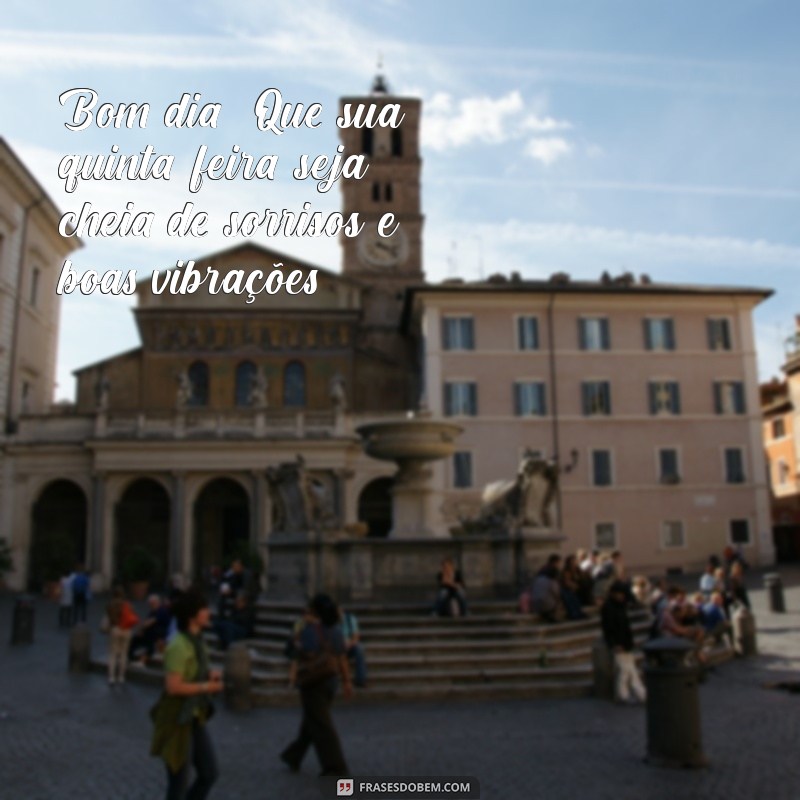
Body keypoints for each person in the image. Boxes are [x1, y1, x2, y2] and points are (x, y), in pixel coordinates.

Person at [150, 588, 223, 800]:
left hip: (194, 715)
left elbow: (196, 671)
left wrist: (209, 674)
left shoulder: (198, 643)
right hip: (176, 719)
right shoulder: (179, 646)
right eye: (204, 609)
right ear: (192, 616)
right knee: (178, 783)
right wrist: (207, 687)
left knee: (209, 773)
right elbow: (173, 687)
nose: (208, 613)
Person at [281, 594, 351, 776]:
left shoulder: (308, 630)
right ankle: (293, 755)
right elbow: (342, 657)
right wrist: (347, 681)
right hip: (331, 681)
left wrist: (297, 636)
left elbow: (294, 652)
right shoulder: (336, 630)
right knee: (314, 720)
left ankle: (335, 765)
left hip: (313, 682)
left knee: (321, 724)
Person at [601, 580, 646, 704]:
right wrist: (614, 644)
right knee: (624, 670)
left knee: (629, 670)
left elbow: (625, 626)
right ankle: (627, 695)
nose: (621, 596)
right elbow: (608, 628)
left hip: (625, 642)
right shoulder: (609, 608)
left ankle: (638, 694)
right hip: (618, 643)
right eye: (619, 594)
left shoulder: (619, 606)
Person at [106, 586, 139, 685]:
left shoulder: (110, 604)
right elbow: (133, 615)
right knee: (123, 654)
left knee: (113, 654)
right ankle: (121, 677)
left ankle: (111, 677)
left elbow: (109, 617)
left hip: (115, 629)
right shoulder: (128, 604)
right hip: (126, 630)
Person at [129, 594, 172, 666]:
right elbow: (146, 622)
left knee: (150, 639)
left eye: (152, 603)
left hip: (159, 632)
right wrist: (141, 630)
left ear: (157, 602)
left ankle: (142, 660)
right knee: (135, 639)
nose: (151, 605)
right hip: (152, 631)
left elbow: (150, 622)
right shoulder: (152, 611)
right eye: (150, 604)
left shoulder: (162, 611)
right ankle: (131, 657)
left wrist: (142, 628)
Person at [340, 607, 367, 688]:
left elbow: (356, 637)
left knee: (359, 648)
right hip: (337, 647)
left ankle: (360, 679)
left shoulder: (350, 619)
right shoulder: (330, 621)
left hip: (349, 646)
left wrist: (349, 643)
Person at [531, 555, 562, 623]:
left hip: (535, 602)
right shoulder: (551, 580)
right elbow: (556, 593)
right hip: (546, 604)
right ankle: (554, 617)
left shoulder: (539, 577)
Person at [559, 555, 587, 620]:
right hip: (566, 589)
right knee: (570, 597)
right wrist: (573, 585)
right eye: (573, 561)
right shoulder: (566, 571)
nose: (575, 562)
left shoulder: (578, 570)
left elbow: (582, 577)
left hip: (576, 589)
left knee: (576, 599)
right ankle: (574, 614)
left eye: (575, 561)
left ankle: (579, 613)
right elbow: (566, 581)